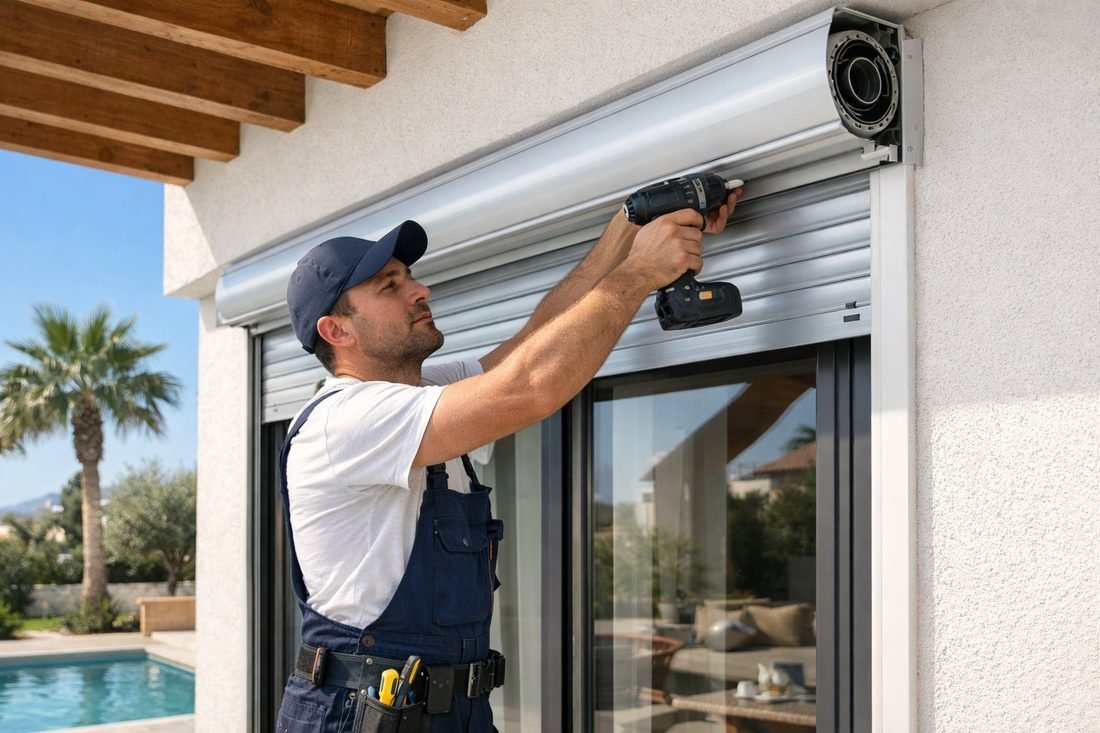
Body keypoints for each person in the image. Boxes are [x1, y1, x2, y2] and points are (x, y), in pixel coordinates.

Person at [276, 185, 743, 733]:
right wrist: (639, 274)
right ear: (338, 331)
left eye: (410, 276)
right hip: (362, 715)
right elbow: (531, 387)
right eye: (390, 285)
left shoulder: (421, 393)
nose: (420, 289)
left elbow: (538, 340)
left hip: (451, 711)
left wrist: (630, 222)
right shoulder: (345, 419)